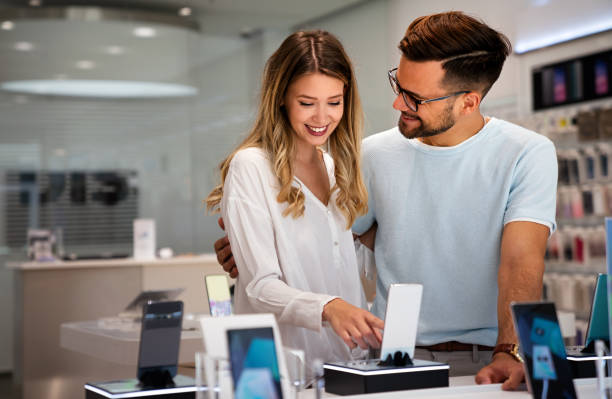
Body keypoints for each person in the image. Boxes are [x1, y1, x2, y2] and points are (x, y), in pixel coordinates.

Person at [214, 12, 557, 390]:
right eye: (399, 84)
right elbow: (344, 240)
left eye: (416, 97)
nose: (398, 104)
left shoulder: (528, 152)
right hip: (384, 355)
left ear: (468, 102)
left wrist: (510, 349)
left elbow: (520, 260)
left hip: (482, 357)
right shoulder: (367, 155)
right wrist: (250, 248)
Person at [205, 30, 384, 374]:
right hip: (276, 371)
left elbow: (333, 261)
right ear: (281, 98)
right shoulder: (251, 166)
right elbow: (259, 287)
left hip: (345, 366)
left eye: (334, 102)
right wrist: (329, 308)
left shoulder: (333, 168)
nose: (322, 117)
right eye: (307, 103)